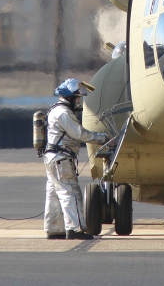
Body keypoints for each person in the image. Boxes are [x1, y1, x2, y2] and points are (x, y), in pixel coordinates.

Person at [43, 78, 113, 240]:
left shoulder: (55, 110)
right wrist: (104, 138)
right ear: (69, 97)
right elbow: (79, 134)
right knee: (71, 192)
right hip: (61, 158)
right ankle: (76, 228)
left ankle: (54, 229)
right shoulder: (64, 113)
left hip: (52, 158)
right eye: (78, 98)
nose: (79, 101)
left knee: (53, 193)